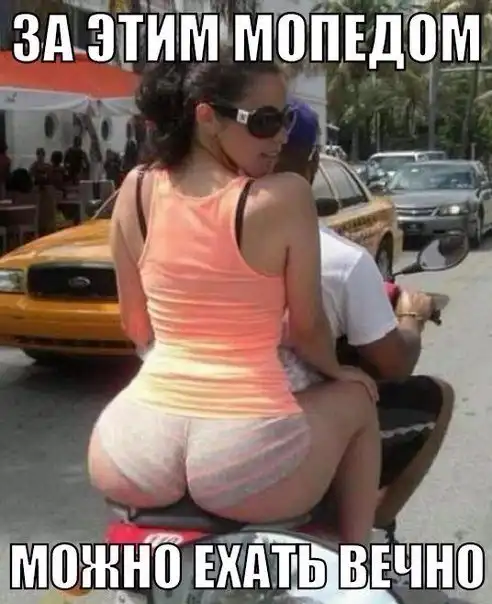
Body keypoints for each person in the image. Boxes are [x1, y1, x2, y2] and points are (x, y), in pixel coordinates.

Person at [88, 47, 382, 544]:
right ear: (207, 117)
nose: (281, 136)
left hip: (131, 448)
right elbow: (308, 330)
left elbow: (136, 327)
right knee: (359, 401)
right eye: (265, 121)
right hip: (244, 456)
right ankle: (359, 565)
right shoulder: (284, 195)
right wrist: (340, 372)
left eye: (286, 119)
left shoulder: (134, 189)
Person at [275, 99, 455, 544]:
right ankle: (371, 527)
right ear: (313, 162)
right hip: (286, 428)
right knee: (421, 395)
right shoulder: (337, 259)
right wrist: (410, 316)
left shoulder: (195, 238)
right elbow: (394, 363)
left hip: (194, 418)